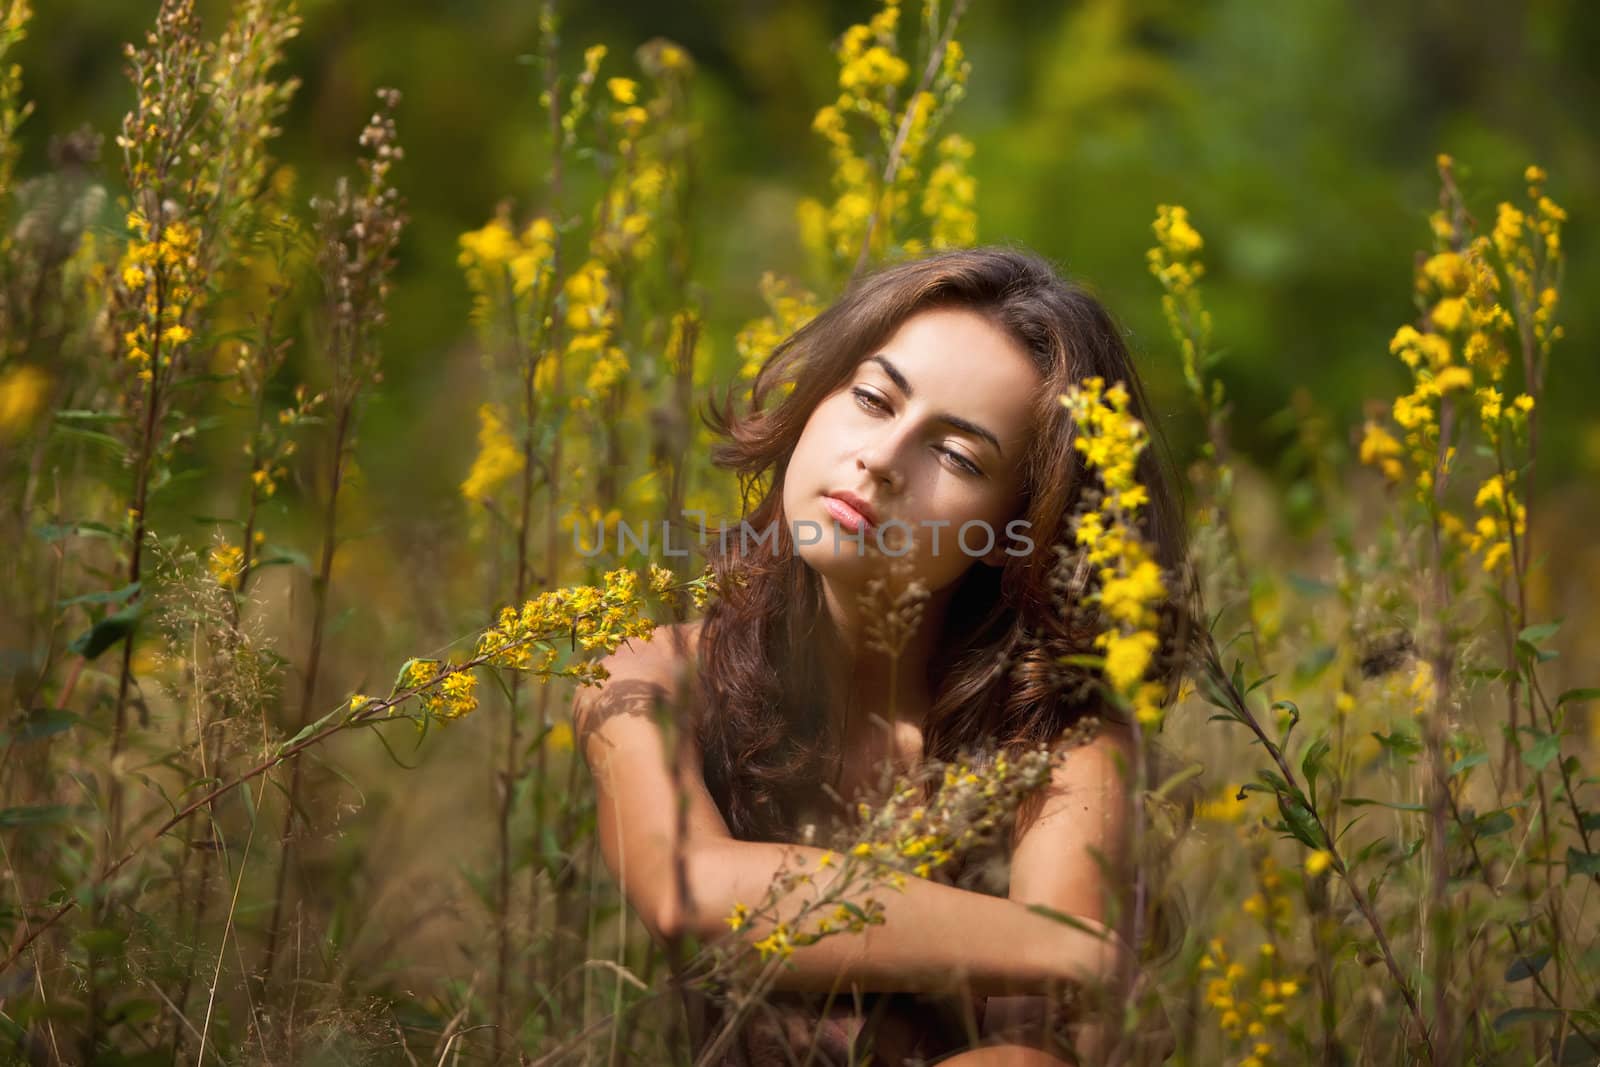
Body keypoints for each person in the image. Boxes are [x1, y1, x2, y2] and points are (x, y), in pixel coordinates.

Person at [575, 246, 1194, 1065]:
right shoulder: (645, 678)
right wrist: (1079, 945)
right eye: (872, 397)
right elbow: (685, 887)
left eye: (958, 455)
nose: (881, 459)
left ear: (1021, 529)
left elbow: (1042, 1048)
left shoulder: (1063, 743)